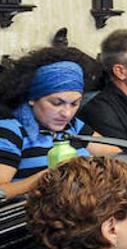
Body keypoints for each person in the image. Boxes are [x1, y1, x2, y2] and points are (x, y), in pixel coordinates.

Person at [0, 48, 110, 199]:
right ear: (32, 98)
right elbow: (1, 191)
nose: (66, 113)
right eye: (57, 103)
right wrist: (46, 178)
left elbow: (118, 154)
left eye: (74, 104)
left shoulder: (73, 126)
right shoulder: (11, 131)